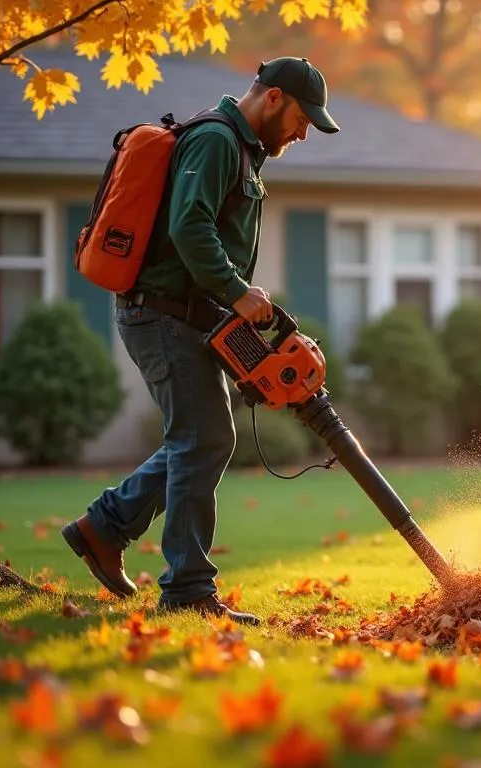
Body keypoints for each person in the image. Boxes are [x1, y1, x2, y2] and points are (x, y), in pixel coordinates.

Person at [61, 57, 341, 626]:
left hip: (183, 316)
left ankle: (105, 527)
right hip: (161, 313)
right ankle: (187, 588)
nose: (304, 131)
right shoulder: (216, 140)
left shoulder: (238, 148)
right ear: (274, 98)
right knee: (203, 439)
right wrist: (238, 291)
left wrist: (233, 302)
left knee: (204, 438)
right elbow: (191, 226)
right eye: (302, 117)